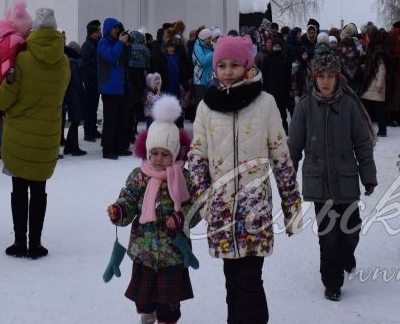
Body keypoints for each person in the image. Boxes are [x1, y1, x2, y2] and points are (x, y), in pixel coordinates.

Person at [185, 34, 302, 324]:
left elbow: (281, 159)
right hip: (220, 209)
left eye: (234, 65)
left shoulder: (264, 103)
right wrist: (203, 200)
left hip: (254, 210)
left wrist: (292, 206)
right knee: (232, 279)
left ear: (247, 65)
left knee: (249, 280)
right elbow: (197, 157)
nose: (227, 71)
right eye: (221, 65)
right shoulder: (206, 106)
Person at [288, 47, 377, 302]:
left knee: (351, 230)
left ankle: (346, 255)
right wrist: (288, 178)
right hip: (319, 184)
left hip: (346, 180)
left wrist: (368, 176)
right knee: (328, 237)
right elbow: (293, 147)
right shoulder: (305, 107)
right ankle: (332, 281)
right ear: (313, 77)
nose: (325, 80)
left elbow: (362, 143)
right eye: (320, 75)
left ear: (337, 77)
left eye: (330, 75)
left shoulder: (348, 105)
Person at [107, 95, 194, 324]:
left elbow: (192, 209)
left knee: (169, 304)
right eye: (154, 153)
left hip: (172, 254)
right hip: (144, 252)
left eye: (165, 154)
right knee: (144, 300)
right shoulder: (139, 177)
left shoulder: (182, 178)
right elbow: (129, 198)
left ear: (174, 154)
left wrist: (180, 217)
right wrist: (120, 211)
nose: (158, 158)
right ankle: (148, 313)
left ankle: (166, 318)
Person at [0, 7, 70, 259]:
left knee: (19, 189)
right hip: (47, 134)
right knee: (39, 189)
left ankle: (19, 242)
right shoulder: (64, 63)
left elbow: (4, 100)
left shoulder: (22, 59)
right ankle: (35, 244)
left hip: (19, 133)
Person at [98, 17, 131, 159]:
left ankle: (118, 146)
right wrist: (120, 43)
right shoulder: (103, 43)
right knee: (110, 121)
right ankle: (108, 149)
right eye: (114, 28)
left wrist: (126, 45)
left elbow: (124, 61)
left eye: (117, 29)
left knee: (120, 119)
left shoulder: (116, 44)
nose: (116, 31)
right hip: (109, 88)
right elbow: (111, 57)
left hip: (120, 87)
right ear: (108, 30)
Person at [0, 0, 33, 89]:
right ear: (22, 26)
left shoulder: (10, 37)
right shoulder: (14, 39)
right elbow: (7, 58)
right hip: (4, 78)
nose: (29, 32)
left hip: (2, 75)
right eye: (29, 29)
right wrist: (9, 76)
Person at [62, 40, 87, 156]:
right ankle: (73, 147)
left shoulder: (67, 60)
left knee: (74, 120)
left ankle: (69, 147)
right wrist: (82, 93)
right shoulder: (74, 62)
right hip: (74, 94)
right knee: (75, 120)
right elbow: (77, 81)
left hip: (70, 93)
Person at [81, 20, 102, 142]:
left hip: (95, 82)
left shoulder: (95, 44)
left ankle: (93, 129)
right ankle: (88, 132)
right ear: (91, 33)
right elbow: (85, 65)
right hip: (90, 83)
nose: (99, 34)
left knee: (93, 108)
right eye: (97, 32)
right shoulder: (87, 46)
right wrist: (91, 78)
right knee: (89, 109)